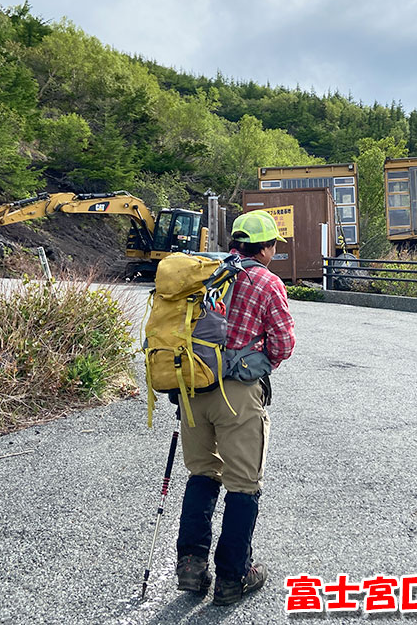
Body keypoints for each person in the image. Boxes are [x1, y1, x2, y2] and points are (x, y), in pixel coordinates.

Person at [173, 209, 296, 606]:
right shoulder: (266, 281)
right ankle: (233, 575)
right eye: (275, 245)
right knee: (243, 484)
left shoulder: (204, 272)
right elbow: (283, 345)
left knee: (202, 473)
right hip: (237, 395)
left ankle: (191, 567)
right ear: (266, 247)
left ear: (234, 244)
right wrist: (254, 360)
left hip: (192, 387)